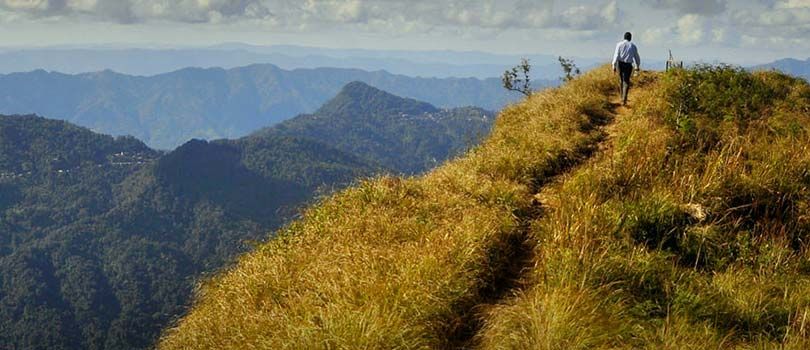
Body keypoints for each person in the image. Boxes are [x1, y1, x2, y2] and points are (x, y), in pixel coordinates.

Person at [612, 32, 641, 106]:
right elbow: (636, 57)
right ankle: (624, 98)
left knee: (621, 80)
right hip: (628, 65)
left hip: (620, 64)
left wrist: (614, 65)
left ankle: (622, 97)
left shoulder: (619, 44)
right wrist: (637, 66)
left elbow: (616, 55)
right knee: (626, 81)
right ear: (630, 38)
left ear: (624, 37)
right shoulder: (633, 46)